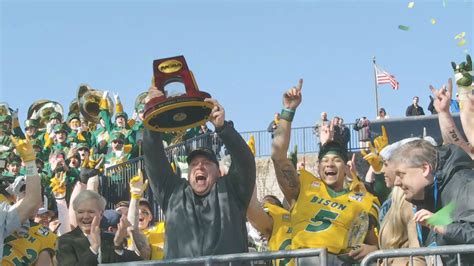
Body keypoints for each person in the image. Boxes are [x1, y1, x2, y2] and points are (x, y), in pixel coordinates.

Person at [271, 79, 380, 265]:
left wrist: (374, 250)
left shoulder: (362, 199)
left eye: (336, 160)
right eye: (325, 160)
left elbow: (376, 244)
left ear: (346, 168)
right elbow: (277, 155)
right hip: (304, 259)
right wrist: (288, 111)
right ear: (319, 167)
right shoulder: (304, 186)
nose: (330, 164)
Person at [143, 86, 256, 259]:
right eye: (194, 164)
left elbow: (245, 162)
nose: (199, 167)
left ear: (219, 172)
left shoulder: (232, 191)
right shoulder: (173, 193)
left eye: (206, 163)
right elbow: (153, 158)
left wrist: (222, 128)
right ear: (188, 174)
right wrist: (152, 111)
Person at [390, 140, 474, 265]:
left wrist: (444, 227)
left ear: (424, 169)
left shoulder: (465, 185)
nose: (396, 182)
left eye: (401, 175)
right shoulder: (424, 198)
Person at [56, 190, 142, 265]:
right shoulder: (65, 241)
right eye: (80, 212)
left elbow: (138, 262)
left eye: (91, 211)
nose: (85, 216)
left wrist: (118, 246)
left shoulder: (111, 239)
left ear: (101, 214)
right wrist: (94, 248)